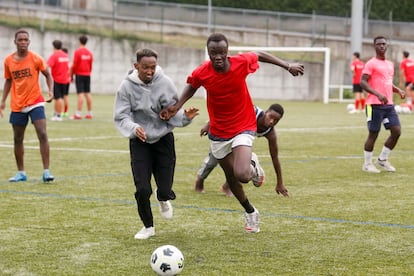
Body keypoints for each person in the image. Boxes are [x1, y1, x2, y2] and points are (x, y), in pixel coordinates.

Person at [159, 33, 304, 233]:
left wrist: (287, 65)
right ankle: (250, 212)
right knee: (232, 179)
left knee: (243, 174)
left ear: (227, 52)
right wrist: (177, 106)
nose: (218, 57)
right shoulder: (203, 72)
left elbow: (259, 54)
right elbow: (192, 86)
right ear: (208, 52)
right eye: (213, 53)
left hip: (243, 126)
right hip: (218, 132)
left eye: (222, 52)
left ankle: (253, 167)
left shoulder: (240, 63)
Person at [113, 48, 199, 240]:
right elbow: (121, 116)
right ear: (136, 66)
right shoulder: (125, 87)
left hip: (163, 140)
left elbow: (172, 111)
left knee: (165, 188)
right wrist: (134, 128)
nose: (150, 71)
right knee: (142, 189)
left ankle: (163, 198)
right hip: (140, 142)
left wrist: (185, 117)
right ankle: (148, 226)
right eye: (145, 68)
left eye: (153, 67)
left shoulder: (165, 83)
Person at [195, 103, 289, 198]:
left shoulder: (270, 133)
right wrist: (209, 124)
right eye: (270, 117)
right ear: (266, 112)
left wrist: (279, 183)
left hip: (239, 141)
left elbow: (275, 158)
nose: (272, 121)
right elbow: (227, 110)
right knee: (212, 161)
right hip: (225, 133)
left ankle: (227, 187)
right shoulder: (251, 111)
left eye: (276, 120)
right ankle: (200, 180)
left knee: (240, 165)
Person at [0, 29, 55, 183]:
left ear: (29, 42)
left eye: (26, 40)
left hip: (35, 101)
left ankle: (46, 172)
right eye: (20, 40)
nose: (23, 42)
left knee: (42, 133)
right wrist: (3, 101)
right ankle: (21, 173)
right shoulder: (8, 61)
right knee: (18, 138)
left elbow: (48, 74)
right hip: (17, 104)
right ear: (15, 42)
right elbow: (8, 80)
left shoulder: (36, 58)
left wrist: (50, 91)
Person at [360, 36, 405, 173]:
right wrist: (377, 94)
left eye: (384, 44)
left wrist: (397, 90)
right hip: (373, 105)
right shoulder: (371, 63)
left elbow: (386, 82)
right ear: (374, 46)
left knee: (396, 131)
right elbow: (363, 82)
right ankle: (367, 164)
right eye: (379, 44)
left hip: (388, 105)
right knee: (373, 134)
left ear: (387, 46)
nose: (381, 46)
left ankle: (382, 159)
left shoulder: (390, 64)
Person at [70, 35, 93, 119]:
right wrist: (88, 72)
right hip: (87, 74)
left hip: (79, 74)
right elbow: (90, 65)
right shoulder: (89, 53)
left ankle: (78, 114)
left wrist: (72, 75)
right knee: (88, 93)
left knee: (80, 94)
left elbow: (74, 64)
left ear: (79, 41)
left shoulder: (77, 52)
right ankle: (90, 113)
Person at [47, 40, 70, 121]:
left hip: (57, 79)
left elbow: (48, 65)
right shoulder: (65, 55)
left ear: (54, 47)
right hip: (65, 79)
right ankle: (56, 113)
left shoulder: (54, 55)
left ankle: (58, 115)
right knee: (60, 97)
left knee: (58, 98)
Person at [61, 47, 71, 117]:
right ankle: (65, 111)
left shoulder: (62, 60)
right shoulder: (68, 60)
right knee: (65, 96)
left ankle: (59, 111)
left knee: (59, 97)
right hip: (68, 80)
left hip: (62, 80)